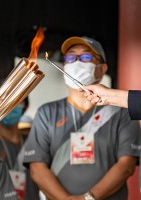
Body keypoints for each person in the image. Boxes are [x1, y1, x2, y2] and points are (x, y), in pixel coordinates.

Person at [23, 36, 141, 200]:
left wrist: (88, 198)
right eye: (71, 57)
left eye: (86, 57)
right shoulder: (47, 112)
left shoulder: (123, 111)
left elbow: (126, 166)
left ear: (102, 68)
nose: (77, 62)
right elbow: (36, 168)